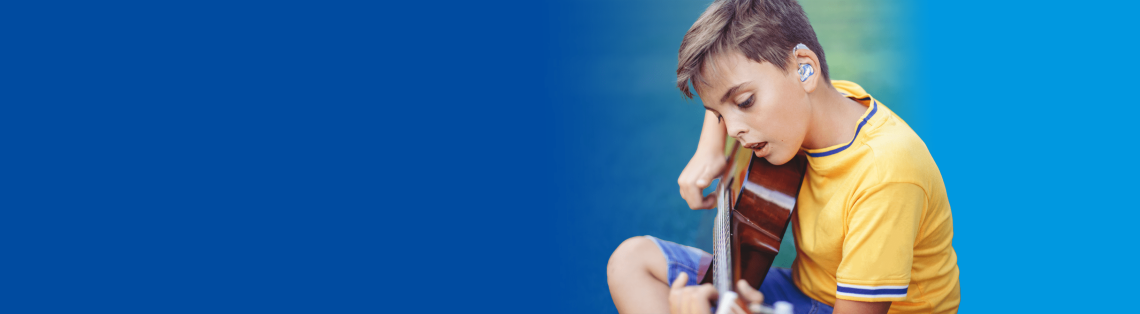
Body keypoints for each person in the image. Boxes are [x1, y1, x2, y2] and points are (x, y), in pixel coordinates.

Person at [605, 0, 960, 313]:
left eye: (745, 103)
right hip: (803, 289)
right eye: (718, 115)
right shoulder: (820, 102)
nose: (732, 130)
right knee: (630, 261)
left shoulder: (886, 172)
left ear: (805, 68)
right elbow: (729, 67)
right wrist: (709, 148)